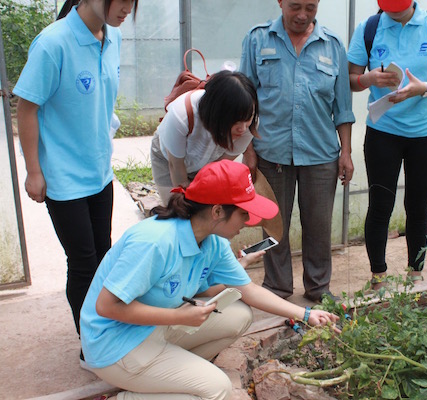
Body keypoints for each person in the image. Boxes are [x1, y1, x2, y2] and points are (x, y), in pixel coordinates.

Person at [79, 160, 339, 400]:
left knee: (238, 314)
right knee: (218, 390)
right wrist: (179, 318)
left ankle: (168, 375)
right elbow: (107, 307)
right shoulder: (154, 242)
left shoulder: (214, 242)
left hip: (154, 326)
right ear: (217, 211)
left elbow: (247, 290)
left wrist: (306, 314)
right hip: (116, 344)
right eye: (243, 213)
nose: (248, 222)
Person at [13, 0, 138, 339]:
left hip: (99, 171)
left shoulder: (113, 37)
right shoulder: (53, 43)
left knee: (103, 255)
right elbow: (26, 109)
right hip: (63, 177)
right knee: (83, 263)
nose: (128, 8)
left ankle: (104, 327)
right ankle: (91, 343)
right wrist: (34, 171)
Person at [239, 0, 355, 302]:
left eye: (310, 7)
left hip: (321, 153)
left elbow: (343, 107)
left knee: (318, 225)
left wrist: (346, 152)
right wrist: (248, 151)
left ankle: (318, 288)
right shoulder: (257, 39)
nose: (302, 15)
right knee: (273, 224)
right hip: (271, 151)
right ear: (280, 2)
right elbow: (243, 101)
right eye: (294, 6)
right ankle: (277, 288)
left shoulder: (332, 46)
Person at [347, 0, 427, 288]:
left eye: (399, 6)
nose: (394, 12)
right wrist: (368, 78)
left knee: (418, 206)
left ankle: (415, 274)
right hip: (382, 131)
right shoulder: (369, 28)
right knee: (380, 205)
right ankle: (379, 276)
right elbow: (350, 80)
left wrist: (423, 88)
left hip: (426, 134)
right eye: (388, 7)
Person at [150, 70, 260, 205]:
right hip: (169, 161)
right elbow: (176, 165)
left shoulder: (250, 124)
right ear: (217, 113)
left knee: (204, 211)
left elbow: (218, 167)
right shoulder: (182, 115)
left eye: (247, 119)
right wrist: (186, 198)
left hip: (208, 162)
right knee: (177, 209)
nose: (242, 128)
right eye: (235, 121)